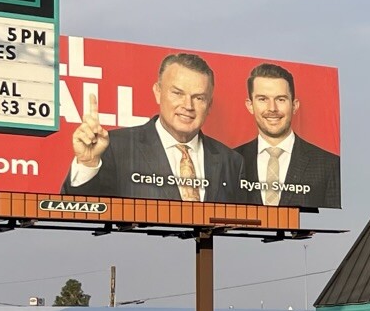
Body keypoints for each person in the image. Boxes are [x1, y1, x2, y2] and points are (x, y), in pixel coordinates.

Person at [63, 52, 240, 203]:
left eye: (199, 98)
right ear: (158, 92)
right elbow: (79, 214)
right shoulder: (115, 147)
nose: (188, 105)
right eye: (177, 93)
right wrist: (88, 164)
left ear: (209, 105)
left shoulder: (232, 161)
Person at [235, 62, 340, 210]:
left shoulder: (329, 165)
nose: (272, 108)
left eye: (281, 99)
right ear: (250, 105)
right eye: (263, 99)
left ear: (294, 105)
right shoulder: (230, 162)